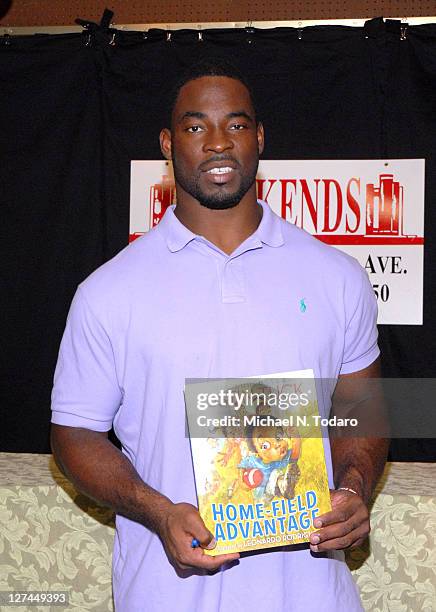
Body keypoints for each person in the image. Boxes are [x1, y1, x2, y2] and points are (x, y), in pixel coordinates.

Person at [51, 59, 388, 611]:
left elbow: (363, 406)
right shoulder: (108, 291)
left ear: (259, 138)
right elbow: (74, 434)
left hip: (309, 595)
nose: (216, 143)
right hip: (165, 594)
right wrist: (158, 511)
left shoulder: (336, 276)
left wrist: (353, 487)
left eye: (235, 125)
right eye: (194, 126)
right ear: (167, 142)